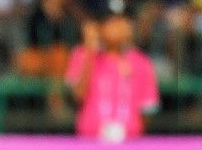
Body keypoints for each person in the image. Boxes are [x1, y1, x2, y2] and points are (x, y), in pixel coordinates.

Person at [66, 12, 159, 142]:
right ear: (100, 27)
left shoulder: (141, 61)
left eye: (122, 21)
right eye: (111, 22)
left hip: (130, 141)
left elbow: (147, 111)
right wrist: (90, 51)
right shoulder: (82, 54)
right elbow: (78, 95)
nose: (118, 27)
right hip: (90, 139)